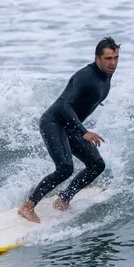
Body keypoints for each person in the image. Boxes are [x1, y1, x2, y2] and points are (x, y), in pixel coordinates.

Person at [18, 37, 120, 223]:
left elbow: (88, 93)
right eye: (108, 59)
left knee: (97, 165)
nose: (113, 63)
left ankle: (63, 200)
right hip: (54, 123)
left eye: (116, 58)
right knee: (65, 168)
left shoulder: (106, 74)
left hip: (70, 127)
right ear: (97, 58)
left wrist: (94, 100)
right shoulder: (85, 75)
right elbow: (67, 105)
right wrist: (84, 132)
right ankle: (28, 206)